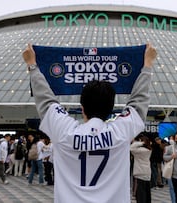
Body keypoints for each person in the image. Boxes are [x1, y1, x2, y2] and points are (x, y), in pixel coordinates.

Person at [22, 43, 157, 203]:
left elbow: (45, 99)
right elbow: (138, 101)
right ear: (110, 109)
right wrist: (147, 65)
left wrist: (33, 65)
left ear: (82, 108)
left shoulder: (65, 132)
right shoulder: (120, 132)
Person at [131, 134, 152, 203]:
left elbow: (131, 148)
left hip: (139, 174)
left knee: (140, 195)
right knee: (147, 194)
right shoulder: (149, 150)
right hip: (147, 174)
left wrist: (139, 142)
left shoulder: (140, 151)